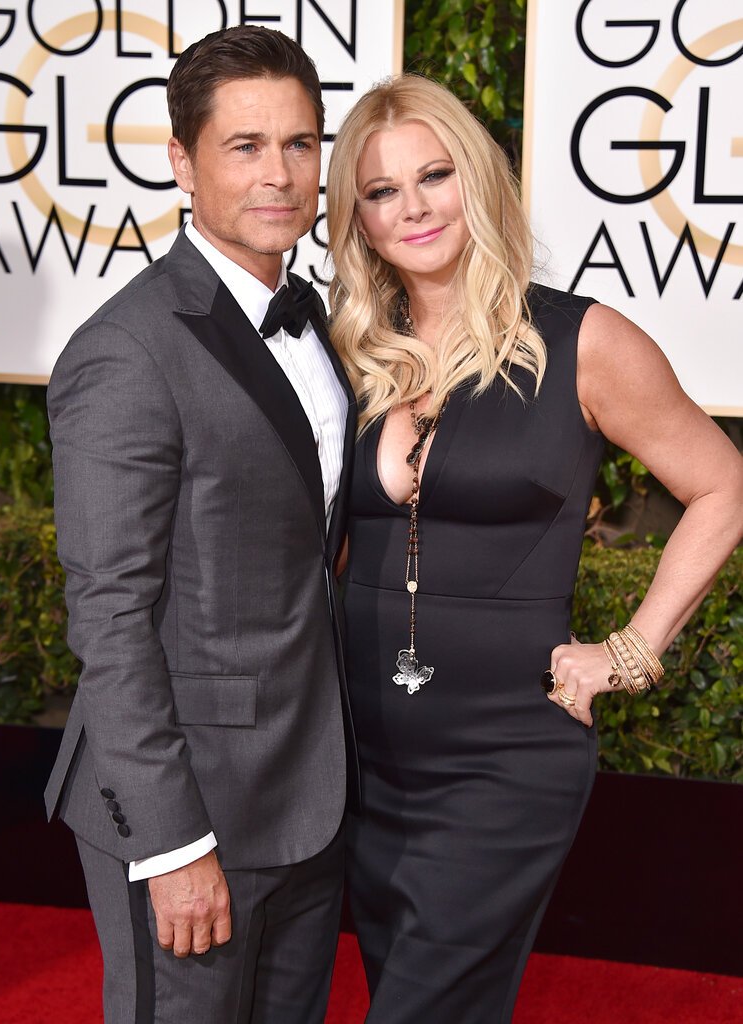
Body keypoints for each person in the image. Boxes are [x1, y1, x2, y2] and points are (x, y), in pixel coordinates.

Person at [325, 74, 743, 1023]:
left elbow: (723, 485)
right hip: (361, 749)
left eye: (435, 175)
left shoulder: (582, 341)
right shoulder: (350, 352)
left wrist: (630, 651)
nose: (412, 207)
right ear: (359, 220)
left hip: (504, 755)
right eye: (382, 191)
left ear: (479, 180)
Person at [44, 26, 358, 1024]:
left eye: (300, 144)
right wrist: (171, 842)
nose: (279, 175)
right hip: (193, 806)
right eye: (244, 146)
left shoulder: (316, 319)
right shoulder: (127, 351)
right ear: (182, 162)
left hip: (312, 791)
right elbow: (110, 617)